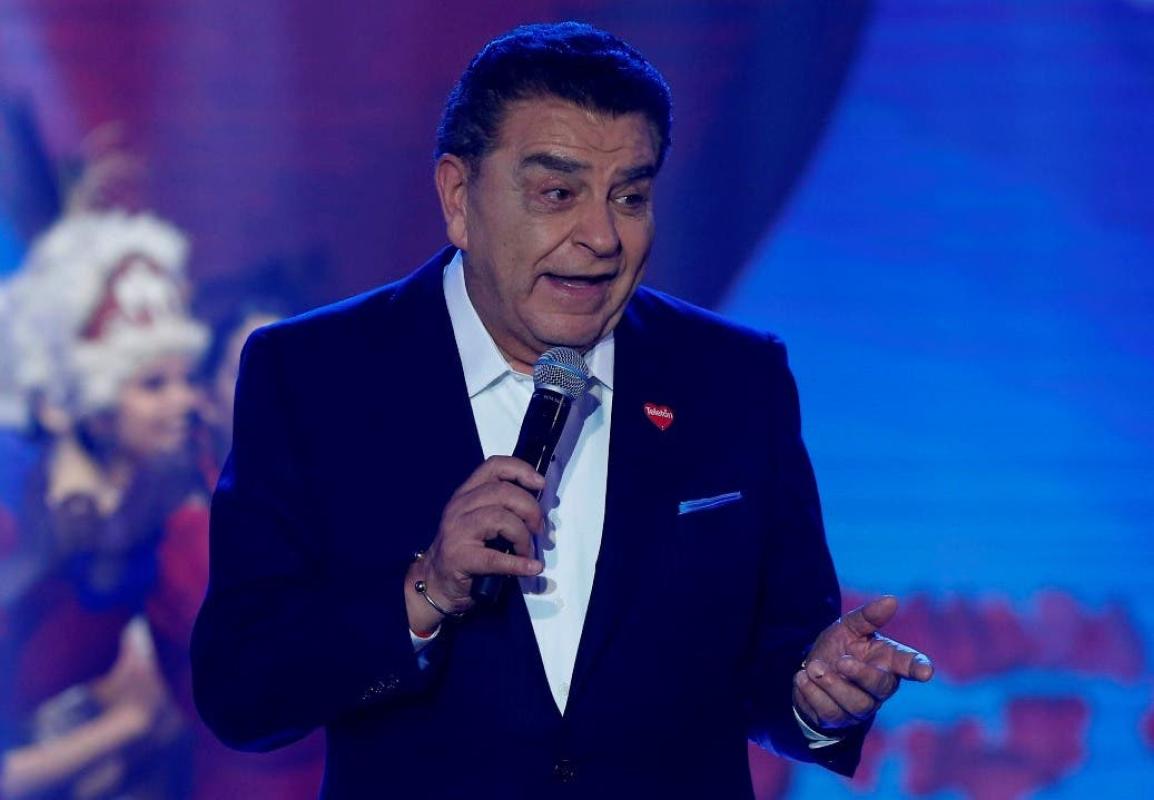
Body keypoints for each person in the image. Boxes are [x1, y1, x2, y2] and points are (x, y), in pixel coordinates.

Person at [191, 22, 933, 798]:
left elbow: (781, 659)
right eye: (558, 194)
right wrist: (426, 592)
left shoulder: (734, 379)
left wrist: (817, 697)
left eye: (630, 197)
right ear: (458, 198)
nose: (602, 236)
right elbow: (242, 689)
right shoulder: (316, 377)